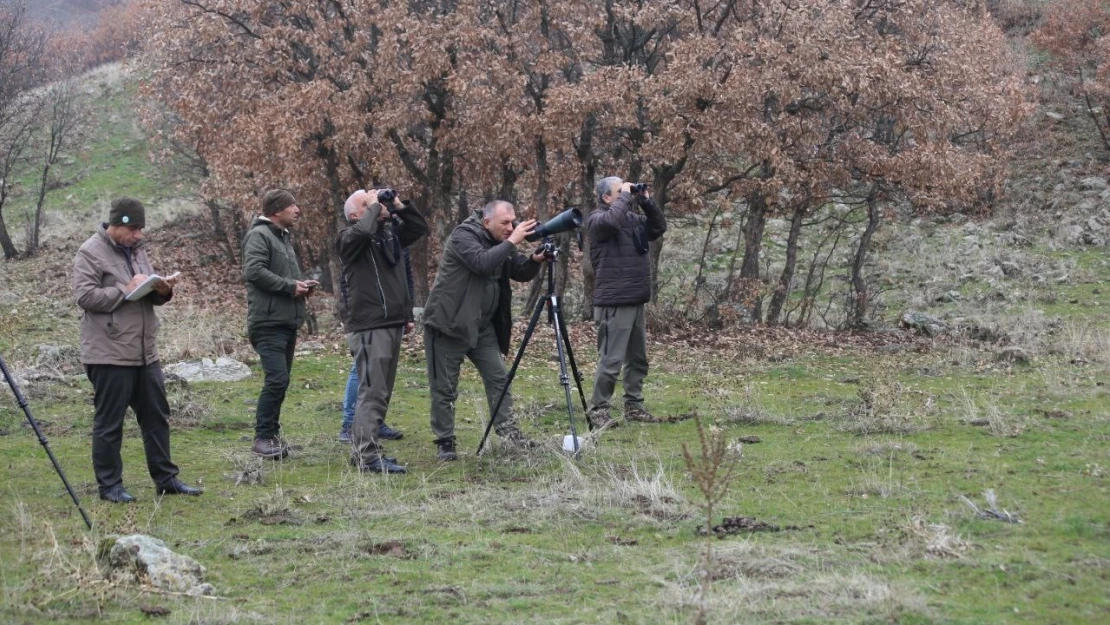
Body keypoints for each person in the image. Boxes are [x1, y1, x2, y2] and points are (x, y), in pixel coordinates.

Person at [72, 197, 202, 503]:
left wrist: (162, 290)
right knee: (110, 423)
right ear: (116, 226)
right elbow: (86, 297)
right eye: (134, 230)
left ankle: (166, 479)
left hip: (145, 352)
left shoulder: (137, 250)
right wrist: (124, 289)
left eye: (141, 229)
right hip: (109, 353)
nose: (139, 235)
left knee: (157, 417)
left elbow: (145, 294)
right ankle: (110, 486)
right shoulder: (90, 251)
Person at [423, 200, 547, 461]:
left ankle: (508, 431)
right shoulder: (462, 236)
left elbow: (519, 271)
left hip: (483, 326)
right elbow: (481, 263)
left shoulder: (500, 240)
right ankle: (445, 441)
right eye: (505, 222)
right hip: (449, 324)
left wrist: (536, 259)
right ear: (486, 221)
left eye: (512, 222)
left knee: (499, 378)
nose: (510, 227)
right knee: (445, 388)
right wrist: (512, 241)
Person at [335, 189, 428, 473]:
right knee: (372, 392)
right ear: (354, 215)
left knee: (380, 392)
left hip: (389, 323)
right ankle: (366, 456)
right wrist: (375, 207)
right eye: (368, 204)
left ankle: (366, 451)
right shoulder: (349, 239)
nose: (378, 205)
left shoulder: (387, 235)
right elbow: (361, 232)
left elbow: (419, 227)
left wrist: (398, 205)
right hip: (370, 325)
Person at [585, 177, 668, 427]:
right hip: (613, 301)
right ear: (606, 198)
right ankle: (598, 410)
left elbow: (658, 227)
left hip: (635, 299)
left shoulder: (631, 220)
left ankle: (634, 405)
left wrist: (646, 201)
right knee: (611, 360)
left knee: (637, 358)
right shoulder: (597, 220)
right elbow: (611, 221)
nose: (625, 194)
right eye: (618, 192)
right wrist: (624, 195)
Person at [243, 189, 319, 459]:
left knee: (281, 381)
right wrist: (290, 287)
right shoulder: (259, 235)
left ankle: (272, 436)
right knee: (276, 379)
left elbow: (276, 275)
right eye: (292, 206)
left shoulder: (282, 238)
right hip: (267, 322)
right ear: (276, 211)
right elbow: (253, 271)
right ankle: (263, 437)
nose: (297, 210)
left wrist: (301, 286)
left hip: (285, 321)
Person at [338, 248, 413, 443]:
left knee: (380, 376)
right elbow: (347, 283)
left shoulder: (393, 235)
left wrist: (408, 312)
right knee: (362, 371)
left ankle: (375, 423)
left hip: (391, 317)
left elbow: (405, 277)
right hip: (366, 320)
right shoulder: (357, 239)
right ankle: (349, 424)